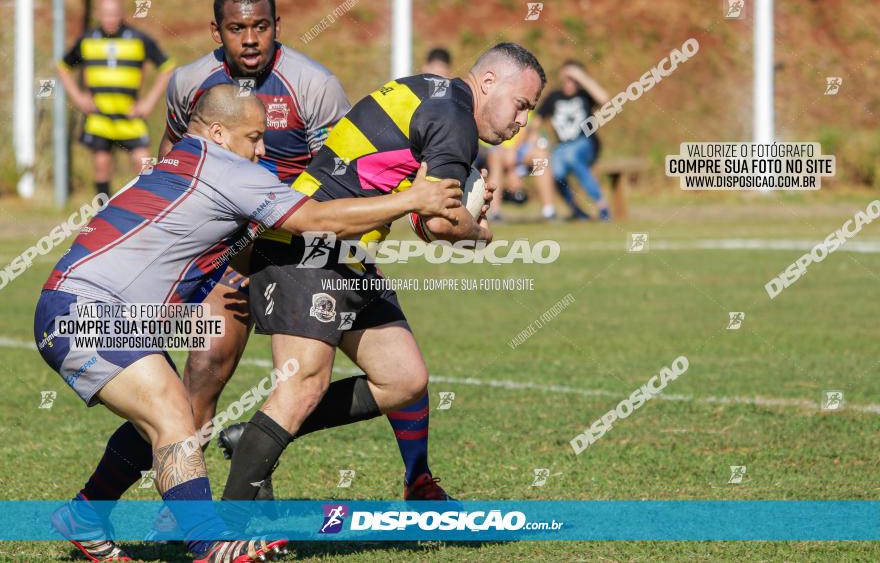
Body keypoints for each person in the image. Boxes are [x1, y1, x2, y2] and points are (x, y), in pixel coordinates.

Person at [36, 84, 461, 563]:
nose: (262, 149)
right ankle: (210, 544)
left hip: (80, 304)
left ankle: (86, 515)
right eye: (254, 137)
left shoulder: (180, 160)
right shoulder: (226, 169)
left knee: (151, 421)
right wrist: (412, 199)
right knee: (175, 418)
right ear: (218, 133)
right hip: (87, 310)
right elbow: (319, 219)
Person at [219, 42, 544, 507]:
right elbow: (437, 223)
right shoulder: (455, 121)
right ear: (489, 82)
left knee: (403, 378)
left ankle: (258, 440)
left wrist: (453, 213)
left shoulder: (432, 93)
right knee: (303, 385)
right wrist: (480, 232)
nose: (522, 121)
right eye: (521, 105)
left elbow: (415, 203)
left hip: (344, 253)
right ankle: (225, 538)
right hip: (310, 250)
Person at [57, 0, 175, 196]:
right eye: (105, 14)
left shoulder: (138, 39)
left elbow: (168, 68)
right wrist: (78, 97)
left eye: (113, 14)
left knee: (144, 162)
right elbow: (63, 67)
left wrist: (148, 103)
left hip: (129, 117)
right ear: (98, 15)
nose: (109, 19)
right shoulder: (87, 40)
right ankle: (103, 216)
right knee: (101, 164)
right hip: (100, 117)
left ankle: (142, 212)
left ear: (121, 15)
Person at [535, 60, 611, 221]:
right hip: (562, 147)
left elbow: (605, 99)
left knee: (571, 157)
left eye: (573, 79)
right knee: (556, 171)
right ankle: (576, 210)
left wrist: (581, 76)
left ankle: (602, 205)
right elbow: (536, 122)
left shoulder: (585, 95)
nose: (570, 82)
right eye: (567, 77)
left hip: (586, 143)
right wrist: (536, 138)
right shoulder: (553, 97)